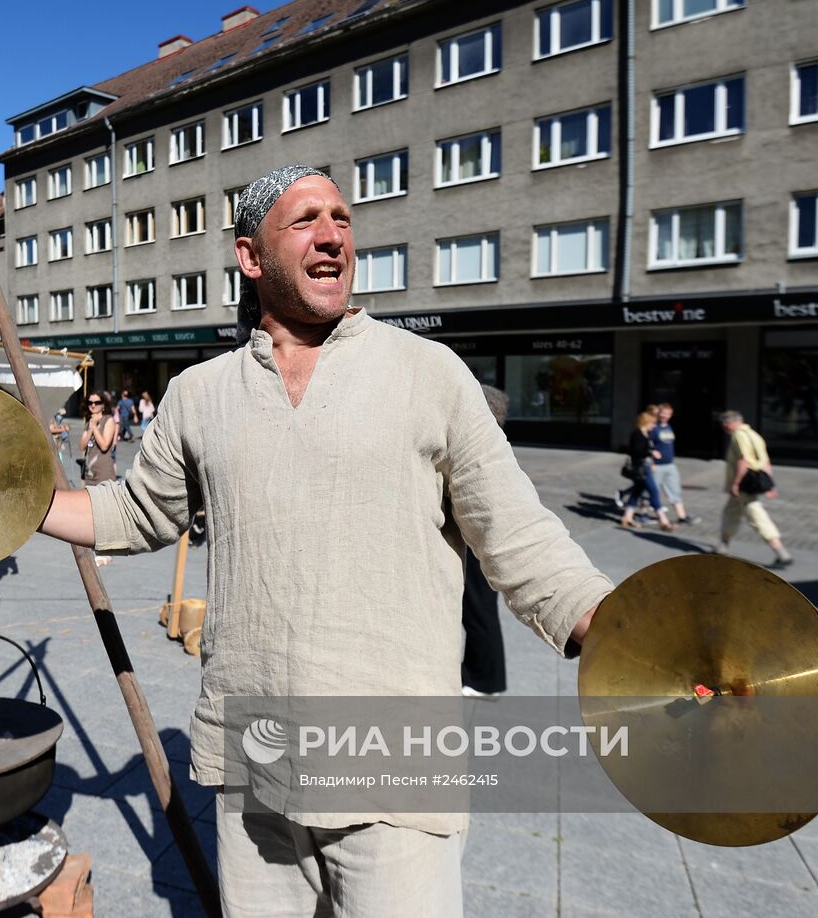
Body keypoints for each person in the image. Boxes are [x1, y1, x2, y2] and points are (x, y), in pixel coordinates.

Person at [37, 166, 611, 914]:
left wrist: (629, 634)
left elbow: (520, 537)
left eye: (341, 218)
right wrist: (13, 505)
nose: (334, 235)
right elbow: (137, 512)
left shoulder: (428, 373)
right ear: (250, 255)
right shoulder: (200, 393)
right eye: (306, 220)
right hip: (259, 757)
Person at [460, 385, 510, 699]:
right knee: (479, 609)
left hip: (477, 539)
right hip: (480, 538)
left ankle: (484, 679)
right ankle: (483, 675)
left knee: (478, 609)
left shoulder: (484, 453)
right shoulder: (495, 448)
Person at [716, 411, 793, 568]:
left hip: (745, 484)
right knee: (730, 512)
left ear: (728, 424)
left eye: (724, 425)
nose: (724, 428)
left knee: (757, 515)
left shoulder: (739, 436)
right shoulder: (754, 435)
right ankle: (723, 546)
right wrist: (770, 485)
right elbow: (766, 462)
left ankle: (781, 552)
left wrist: (735, 484)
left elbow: (743, 461)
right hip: (753, 482)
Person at [79, 392, 118, 568]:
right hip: (90, 471)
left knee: (104, 512)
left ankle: (107, 552)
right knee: (91, 512)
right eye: (90, 403)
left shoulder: (108, 420)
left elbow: (104, 445)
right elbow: (82, 446)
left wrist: (95, 427)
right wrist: (90, 428)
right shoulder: (89, 421)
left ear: (103, 404)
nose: (93, 406)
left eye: (97, 402)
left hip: (103, 471)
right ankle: (96, 546)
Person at [620, 411, 676, 532]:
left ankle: (627, 517)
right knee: (653, 491)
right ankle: (663, 521)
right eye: (652, 423)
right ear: (646, 422)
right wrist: (651, 453)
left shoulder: (645, 433)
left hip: (645, 466)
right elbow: (636, 451)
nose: (654, 425)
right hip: (641, 468)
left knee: (636, 491)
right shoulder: (637, 434)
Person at [649, 403, 699, 526]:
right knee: (651, 492)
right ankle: (646, 515)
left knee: (675, 491)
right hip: (656, 466)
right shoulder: (653, 428)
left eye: (668, 413)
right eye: (663, 413)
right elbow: (643, 443)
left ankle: (682, 517)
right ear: (658, 413)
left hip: (670, 465)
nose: (665, 415)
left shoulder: (669, 427)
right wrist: (651, 453)